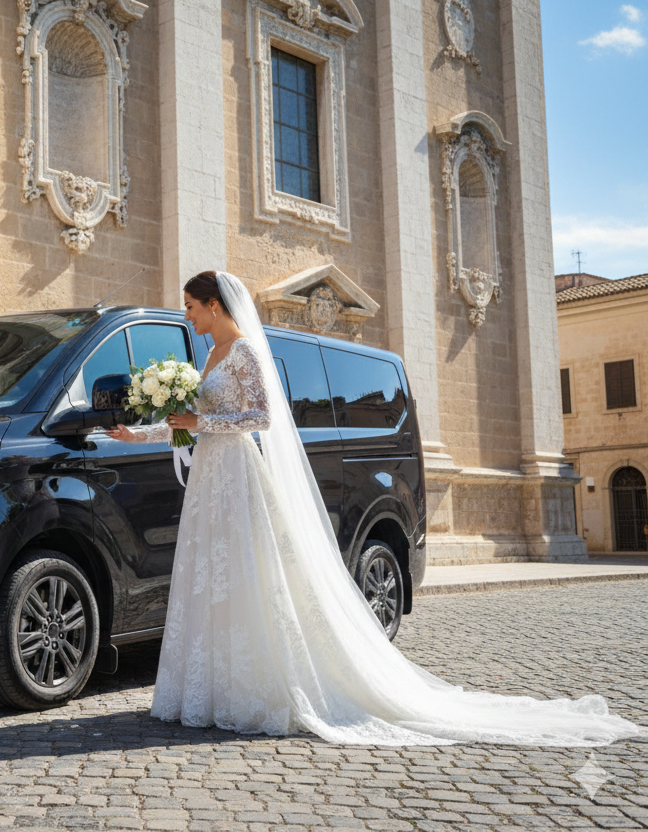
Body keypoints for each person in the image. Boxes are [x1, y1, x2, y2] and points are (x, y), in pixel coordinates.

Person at [108, 272, 640, 746]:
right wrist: (138, 433)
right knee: (210, 577)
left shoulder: (245, 351)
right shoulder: (210, 357)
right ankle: (210, 692)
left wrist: (201, 425)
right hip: (210, 480)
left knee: (247, 575)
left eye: (191, 307)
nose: (187, 315)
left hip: (238, 476)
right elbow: (187, 420)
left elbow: (262, 418)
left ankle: (256, 689)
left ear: (215, 307)